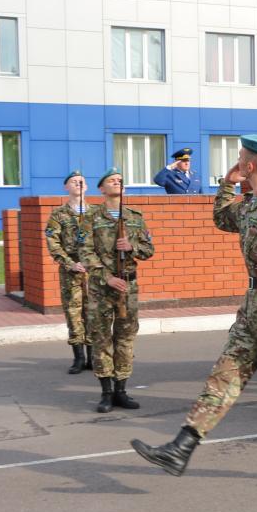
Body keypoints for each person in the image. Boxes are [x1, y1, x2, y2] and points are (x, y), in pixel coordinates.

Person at [131, 134, 257, 488]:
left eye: (240, 160)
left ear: (250, 165)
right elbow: (222, 218)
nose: (236, 163)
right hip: (254, 306)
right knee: (225, 374)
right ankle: (181, 447)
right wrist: (226, 184)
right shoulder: (252, 204)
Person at [79, 168, 154, 413]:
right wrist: (106, 277)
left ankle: (121, 390)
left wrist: (131, 246)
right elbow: (85, 253)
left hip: (128, 286)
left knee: (125, 337)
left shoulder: (135, 216)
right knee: (101, 338)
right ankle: (106, 393)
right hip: (102, 287)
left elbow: (148, 249)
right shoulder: (90, 217)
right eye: (111, 180)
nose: (117, 182)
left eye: (120, 180)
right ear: (101, 189)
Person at [45, 170, 93, 374]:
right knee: (74, 313)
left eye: (81, 182)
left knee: (93, 313)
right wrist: (69, 263)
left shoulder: (96, 213)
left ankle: (93, 357)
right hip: (71, 271)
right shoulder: (58, 214)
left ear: (87, 187)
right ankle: (79, 358)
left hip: (93, 272)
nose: (78, 185)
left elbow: (105, 241)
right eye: (73, 182)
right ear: (66, 187)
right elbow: (53, 243)